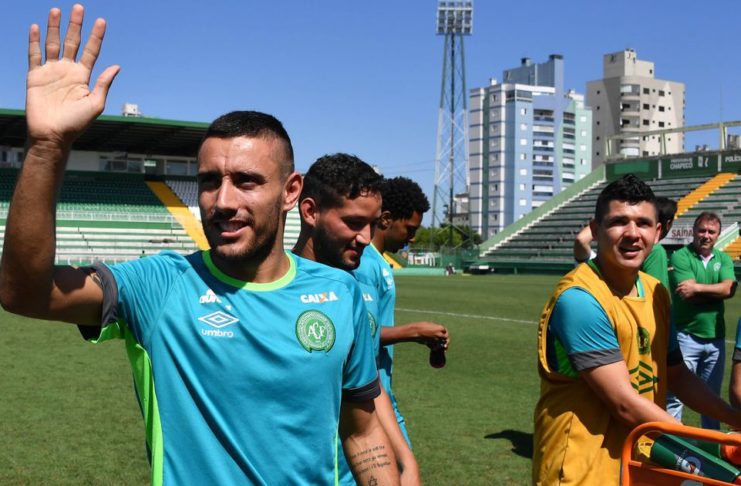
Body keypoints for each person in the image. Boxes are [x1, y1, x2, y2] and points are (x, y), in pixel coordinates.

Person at [0, 6, 400, 485]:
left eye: (247, 181)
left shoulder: (340, 293)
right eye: (210, 181)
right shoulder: (160, 286)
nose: (223, 201)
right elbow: (24, 293)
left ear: (291, 191)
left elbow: (361, 432)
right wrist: (47, 147)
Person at [533, 174, 741, 485]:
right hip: (582, 470)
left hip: (637, 464)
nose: (632, 233)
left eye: (643, 223)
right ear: (595, 230)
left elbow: (677, 375)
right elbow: (624, 404)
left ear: (657, 232)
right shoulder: (579, 299)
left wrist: (735, 418)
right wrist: (710, 449)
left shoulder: (656, 292)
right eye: (619, 222)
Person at [292, 154, 420, 485]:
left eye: (372, 224)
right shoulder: (272, 290)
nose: (365, 237)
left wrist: (406, 461)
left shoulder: (352, 290)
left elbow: (368, 385)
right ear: (310, 212)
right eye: (353, 223)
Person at [354, 176, 449, 446]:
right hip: (368, 394)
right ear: (386, 219)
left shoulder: (378, 261)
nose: (413, 237)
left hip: (382, 390)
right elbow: (360, 333)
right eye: (409, 228)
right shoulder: (364, 263)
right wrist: (415, 332)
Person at [666, 211, 737, 429]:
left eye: (711, 232)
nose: (706, 235)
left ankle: (710, 446)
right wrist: (716, 293)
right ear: (694, 231)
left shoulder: (724, 258)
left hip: (716, 339)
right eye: (702, 230)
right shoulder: (680, 256)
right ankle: (672, 442)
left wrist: (697, 288)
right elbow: (687, 296)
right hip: (685, 336)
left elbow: (729, 289)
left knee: (712, 399)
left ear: (718, 235)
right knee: (675, 396)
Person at [573, 196, 677, 290]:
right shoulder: (656, 251)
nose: (632, 234)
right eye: (618, 222)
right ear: (668, 224)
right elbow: (655, 297)